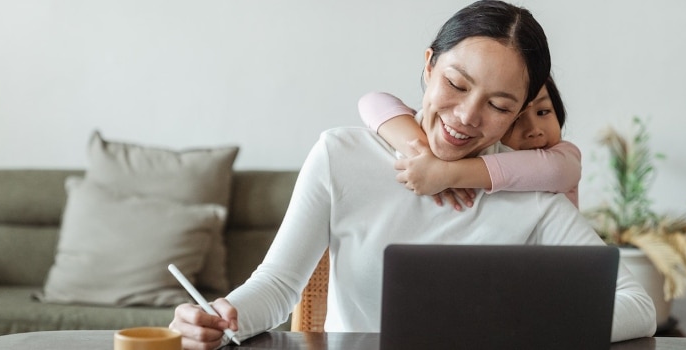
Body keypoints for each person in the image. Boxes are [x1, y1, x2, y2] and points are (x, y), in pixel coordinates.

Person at [170, 1, 656, 348]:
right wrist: (219, 318)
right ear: (428, 66)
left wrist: (521, 324)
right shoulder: (341, 156)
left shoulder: (532, 193)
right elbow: (277, 287)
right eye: (455, 84)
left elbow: (638, 306)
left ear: (519, 115)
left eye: (498, 105)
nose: (467, 116)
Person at [358, 76, 581, 211]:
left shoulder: (564, 156)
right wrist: (423, 155)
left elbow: (555, 170)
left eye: (544, 112)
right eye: (515, 120)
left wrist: (446, 173)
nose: (534, 130)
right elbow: (373, 101)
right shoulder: (480, 150)